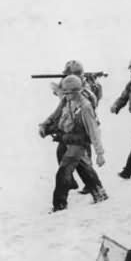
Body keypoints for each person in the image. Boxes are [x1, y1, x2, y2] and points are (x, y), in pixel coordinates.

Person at [39, 75, 106, 211]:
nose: (66, 95)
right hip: (68, 140)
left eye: (69, 93)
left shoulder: (85, 107)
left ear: (77, 91)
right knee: (83, 168)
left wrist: (99, 153)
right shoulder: (67, 101)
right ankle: (99, 193)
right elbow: (56, 115)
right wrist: (45, 125)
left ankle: (59, 205)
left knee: (63, 172)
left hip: (79, 143)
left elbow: (93, 130)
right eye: (65, 93)